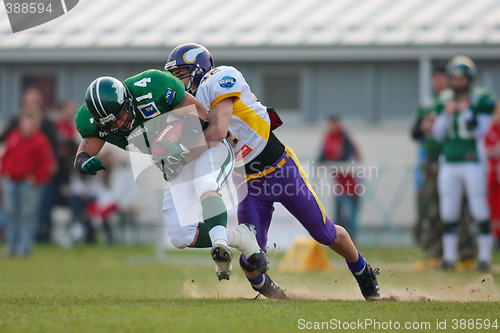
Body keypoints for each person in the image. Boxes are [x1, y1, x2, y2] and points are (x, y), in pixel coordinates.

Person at [166, 43, 380, 300]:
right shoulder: (190, 103)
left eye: (181, 74)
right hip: (246, 182)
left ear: (199, 69)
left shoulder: (219, 77)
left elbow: (219, 131)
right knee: (250, 258)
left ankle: (363, 272)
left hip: (279, 170)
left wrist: (183, 157)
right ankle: (275, 295)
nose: (178, 82)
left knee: (325, 233)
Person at [74, 69, 267, 280]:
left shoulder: (152, 86)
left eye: (121, 116)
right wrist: (83, 161)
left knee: (205, 184)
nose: (120, 125)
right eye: (112, 123)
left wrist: (179, 144)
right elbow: (84, 151)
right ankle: (240, 238)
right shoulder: (90, 120)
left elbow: (201, 113)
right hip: (175, 164)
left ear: (129, 101)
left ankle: (220, 246)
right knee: (180, 234)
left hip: (204, 147)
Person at [431, 56, 495, 271]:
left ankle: (484, 258)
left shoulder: (481, 99)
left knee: (479, 209)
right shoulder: (444, 99)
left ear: (469, 78)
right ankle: (449, 258)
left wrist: (466, 110)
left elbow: (480, 131)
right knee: (448, 211)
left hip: (472, 161)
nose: (458, 83)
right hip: (449, 161)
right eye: (455, 78)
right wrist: (447, 114)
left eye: (462, 78)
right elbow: (438, 134)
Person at [0, 107, 56, 257]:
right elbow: (6, 156)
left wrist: (37, 179)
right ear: (22, 122)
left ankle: (24, 247)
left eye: (34, 122)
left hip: (28, 183)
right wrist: (4, 172)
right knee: (11, 214)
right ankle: (11, 245)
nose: (30, 125)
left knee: (27, 215)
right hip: (11, 181)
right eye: (28, 121)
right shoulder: (14, 136)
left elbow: (46, 164)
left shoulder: (40, 141)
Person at [318, 115, 362, 242]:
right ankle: (337, 241)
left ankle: (352, 242)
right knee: (338, 217)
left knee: (351, 217)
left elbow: (345, 157)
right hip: (339, 184)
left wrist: (329, 162)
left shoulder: (345, 138)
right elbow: (322, 155)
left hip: (353, 184)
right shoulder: (328, 138)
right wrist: (321, 163)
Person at [484, 104, 500, 244]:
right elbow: (488, 148)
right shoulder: (492, 129)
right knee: (494, 205)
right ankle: (496, 236)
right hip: (494, 176)